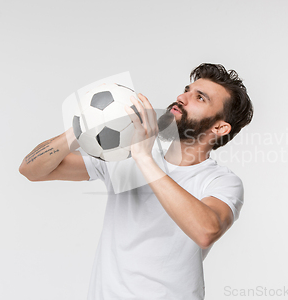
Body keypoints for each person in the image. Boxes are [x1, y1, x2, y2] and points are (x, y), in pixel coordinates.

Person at [19, 63, 254, 300]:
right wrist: (85, 124)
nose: (181, 98)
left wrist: (144, 157)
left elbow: (205, 231)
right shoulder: (123, 153)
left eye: (200, 98)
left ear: (220, 127)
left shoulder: (220, 181)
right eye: (186, 89)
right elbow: (31, 170)